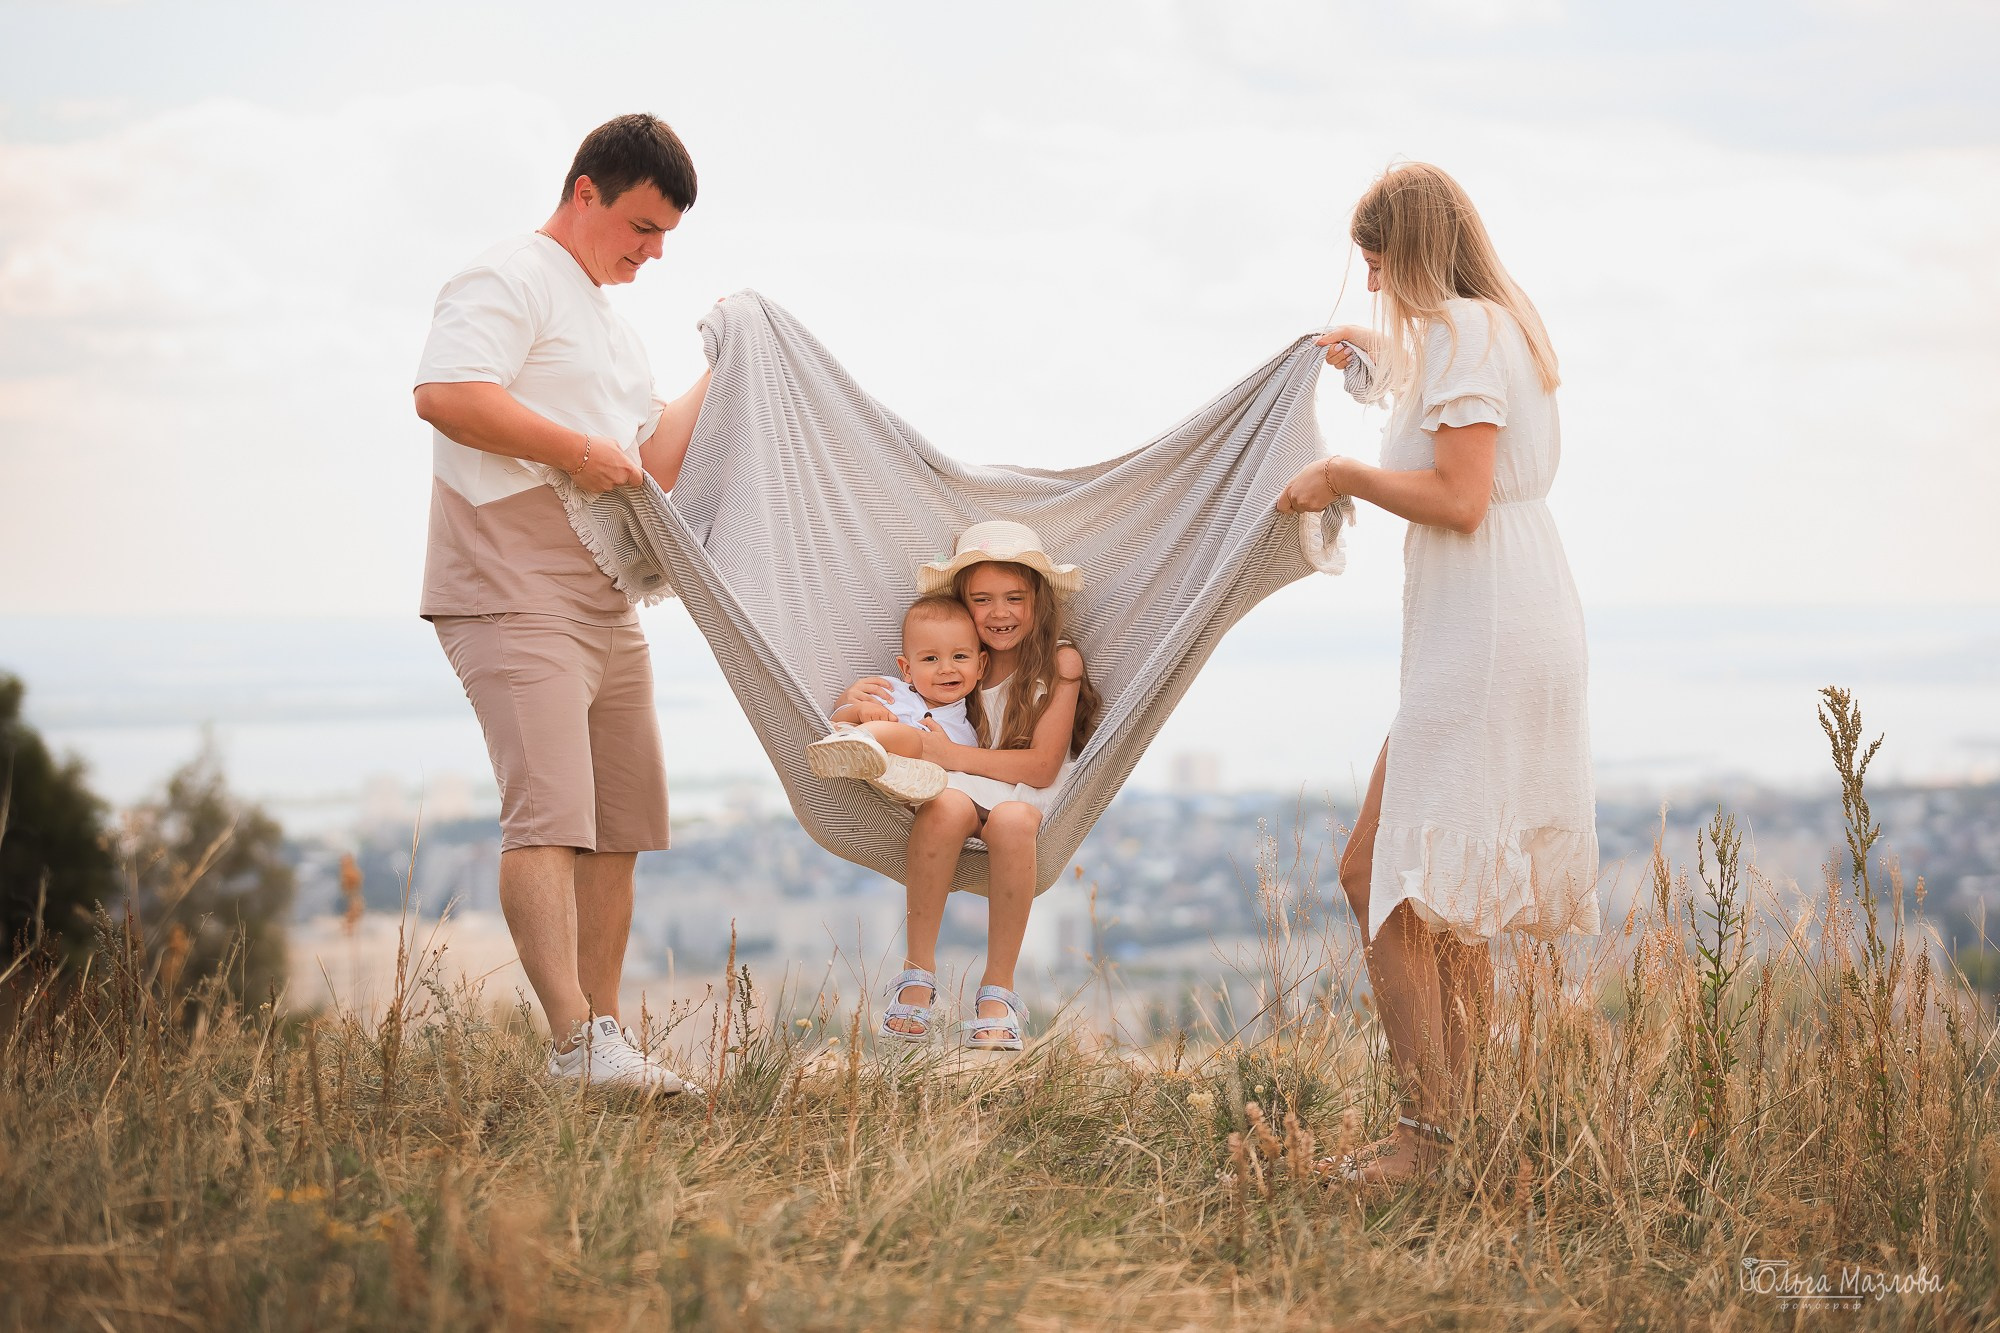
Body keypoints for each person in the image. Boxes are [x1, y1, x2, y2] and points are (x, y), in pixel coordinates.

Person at [1275, 163, 1599, 1184]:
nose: (1367, 284)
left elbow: (1456, 496)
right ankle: (1470, 1141)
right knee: (1448, 887)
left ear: (1406, 250)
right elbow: (1447, 431)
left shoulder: (1463, 331)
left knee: (1372, 870)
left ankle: (1428, 1141)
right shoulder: (1493, 324)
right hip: (1513, 610)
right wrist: (1373, 364)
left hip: (1486, 624)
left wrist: (1339, 476)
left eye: (1372, 262)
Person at [411, 113, 713, 1096]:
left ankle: (603, 1043)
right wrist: (577, 452)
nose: (652, 251)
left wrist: (733, 359)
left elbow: (648, 463)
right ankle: (573, 1042)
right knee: (549, 816)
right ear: (585, 191)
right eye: (640, 225)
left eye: (665, 235)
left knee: (621, 821)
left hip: (603, 600)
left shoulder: (612, 328)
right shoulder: (506, 276)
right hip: (509, 583)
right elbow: (447, 392)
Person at [835, 522, 1101, 1052]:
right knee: (947, 808)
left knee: (1010, 822)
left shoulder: (1057, 660)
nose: (999, 613)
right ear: (963, 604)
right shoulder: (956, 656)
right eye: (982, 600)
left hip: (1023, 794)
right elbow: (911, 707)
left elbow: (1044, 767)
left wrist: (948, 754)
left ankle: (997, 992)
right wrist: (858, 698)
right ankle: (917, 977)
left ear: (1038, 601)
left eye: (1014, 598)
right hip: (960, 784)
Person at [805, 594, 987, 805]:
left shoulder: (965, 738)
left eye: (960, 657)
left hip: (909, 794)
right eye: (930, 659)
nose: (947, 669)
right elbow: (835, 718)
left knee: (911, 739)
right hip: (863, 778)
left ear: (980, 666)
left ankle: (855, 743)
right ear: (907, 669)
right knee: (872, 731)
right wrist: (858, 710)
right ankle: (849, 745)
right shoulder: (889, 691)